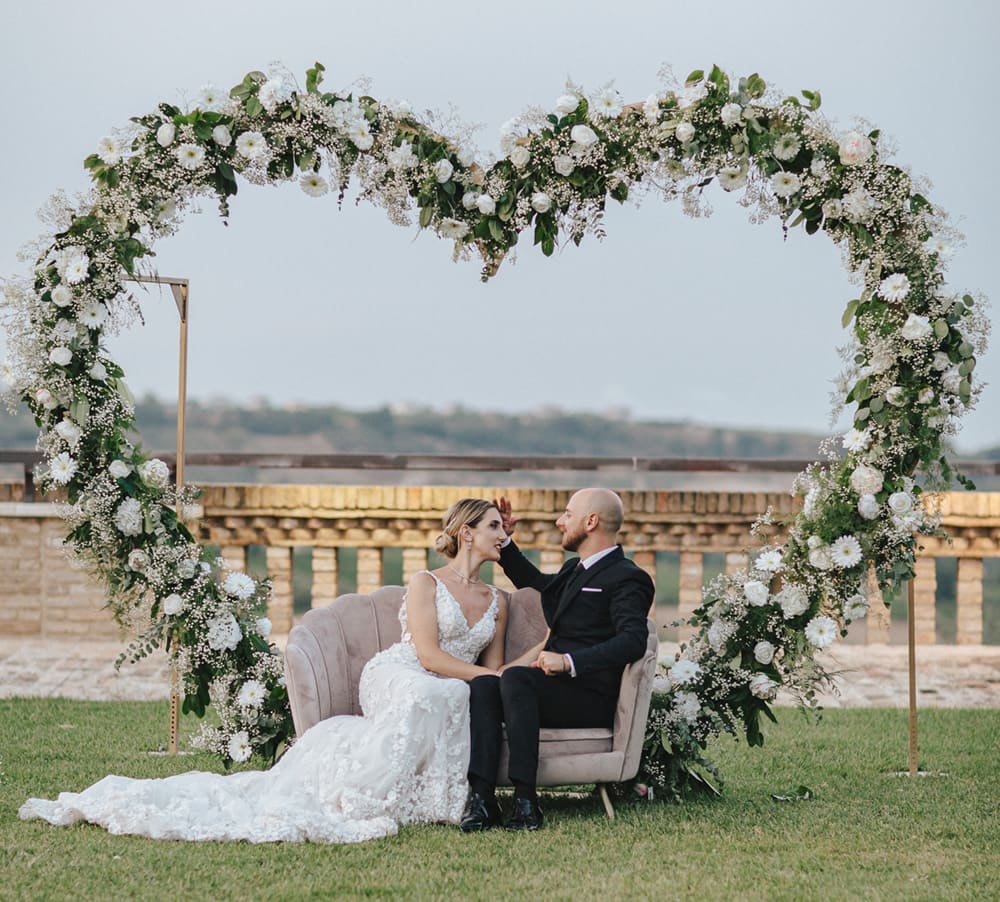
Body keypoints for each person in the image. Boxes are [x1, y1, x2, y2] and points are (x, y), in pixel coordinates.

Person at [19, 498, 510, 844]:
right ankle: (362, 794)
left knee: (456, 696)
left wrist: (540, 653)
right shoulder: (426, 582)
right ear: (466, 532)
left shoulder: (498, 602)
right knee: (432, 695)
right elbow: (426, 654)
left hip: (454, 680)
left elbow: (494, 670)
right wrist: (482, 678)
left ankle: (445, 801)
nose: (504, 536)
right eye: (495, 527)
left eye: (503, 529)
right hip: (404, 671)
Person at [460, 488, 654, 832]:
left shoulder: (628, 577)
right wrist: (503, 540)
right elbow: (534, 583)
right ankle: (482, 800)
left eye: (567, 513)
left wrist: (569, 661)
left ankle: (525, 803)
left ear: (591, 522)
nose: (559, 521)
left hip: (589, 696)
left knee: (516, 677)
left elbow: (633, 641)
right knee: (486, 683)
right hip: (552, 691)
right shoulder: (573, 570)